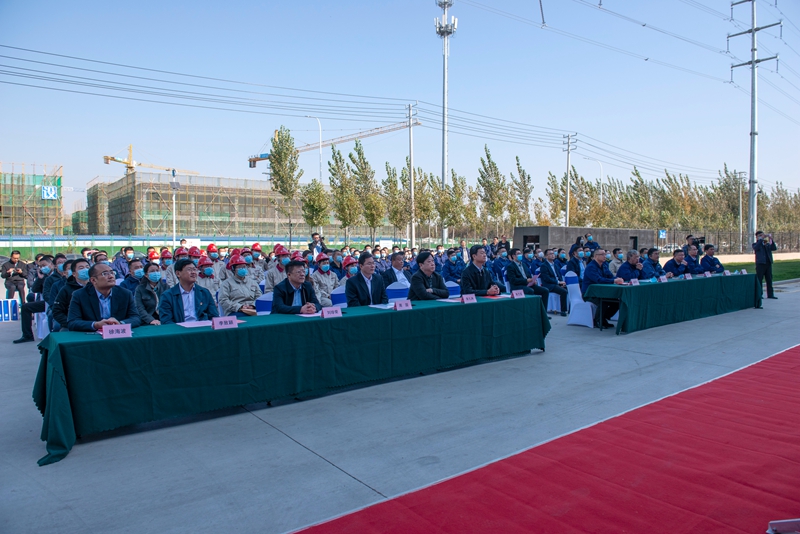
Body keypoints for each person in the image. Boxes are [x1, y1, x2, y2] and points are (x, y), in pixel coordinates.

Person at [66, 262, 141, 332]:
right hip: (92, 336)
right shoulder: (79, 295)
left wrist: (120, 323)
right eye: (105, 274)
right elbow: (72, 322)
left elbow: (135, 318)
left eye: (112, 272)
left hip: (117, 334)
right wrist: (95, 325)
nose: (111, 276)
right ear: (93, 280)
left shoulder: (125, 294)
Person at [158, 259, 219, 324]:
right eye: (189, 270)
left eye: (194, 269)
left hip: (202, 328)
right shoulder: (167, 296)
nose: (193, 272)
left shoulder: (204, 293)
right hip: (179, 329)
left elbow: (214, 316)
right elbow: (166, 321)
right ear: (178, 273)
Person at [13, 255, 55, 343]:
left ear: (51, 265)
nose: (42, 268)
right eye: (40, 266)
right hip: (45, 302)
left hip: (53, 302)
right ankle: (27, 335)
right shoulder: (44, 276)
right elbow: (35, 289)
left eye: (44, 265)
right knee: (26, 307)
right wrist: (40, 279)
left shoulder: (56, 276)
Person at [582, 249, 624, 328]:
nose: (605, 256)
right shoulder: (591, 267)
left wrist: (617, 279)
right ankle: (598, 321)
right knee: (603, 302)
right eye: (602, 254)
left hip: (602, 292)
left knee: (616, 302)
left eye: (605, 254)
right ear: (596, 256)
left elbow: (610, 276)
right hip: (589, 293)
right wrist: (614, 281)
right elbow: (598, 280)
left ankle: (604, 318)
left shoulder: (604, 265)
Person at [52, 258, 90, 331]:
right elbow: (57, 311)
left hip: (93, 324)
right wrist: (70, 323)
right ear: (74, 274)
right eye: (81, 268)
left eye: (87, 267)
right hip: (71, 325)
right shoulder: (66, 289)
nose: (85, 270)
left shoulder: (96, 287)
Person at [539, 249, 568, 316]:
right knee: (563, 291)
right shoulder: (544, 265)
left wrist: (562, 282)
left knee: (568, 288)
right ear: (546, 256)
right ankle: (563, 310)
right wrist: (558, 282)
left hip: (556, 283)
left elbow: (559, 275)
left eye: (553, 253)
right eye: (550, 254)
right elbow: (547, 278)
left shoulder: (555, 265)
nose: (553, 255)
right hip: (549, 285)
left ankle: (569, 308)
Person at [753, 230, 778, 299]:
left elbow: (774, 248)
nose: (762, 236)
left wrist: (770, 239)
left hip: (768, 263)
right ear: (757, 237)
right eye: (760, 235)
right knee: (759, 280)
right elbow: (756, 248)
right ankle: (759, 294)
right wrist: (760, 240)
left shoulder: (766, 244)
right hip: (760, 264)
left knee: (769, 279)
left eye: (763, 235)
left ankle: (770, 294)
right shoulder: (755, 244)